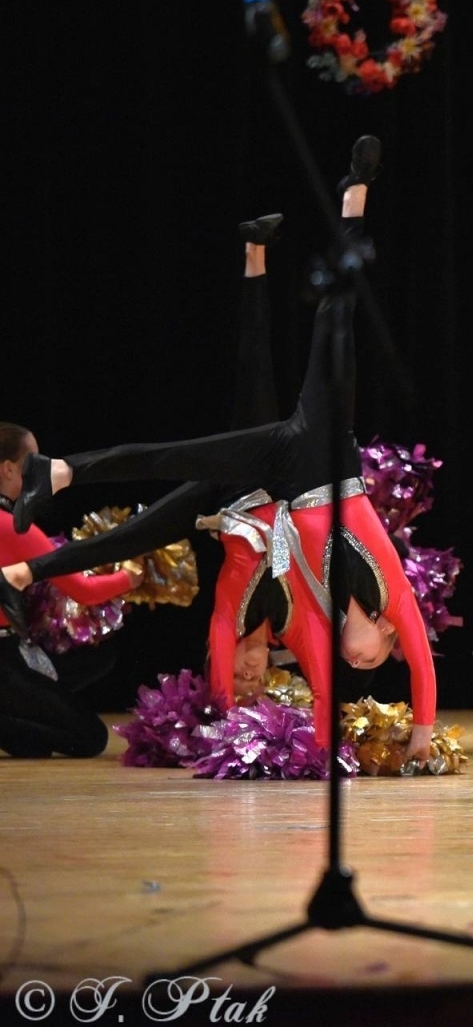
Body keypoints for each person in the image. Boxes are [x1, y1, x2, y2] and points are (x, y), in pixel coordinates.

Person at [4, 138, 438, 760]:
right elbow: (422, 668)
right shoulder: (394, 599)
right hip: (325, 456)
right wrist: (421, 735)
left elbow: (319, 685)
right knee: (334, 328)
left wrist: (309, 749)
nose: (357, 663)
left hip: (268, 484)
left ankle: (55, 491)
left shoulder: (314, 619)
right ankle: (354, 198)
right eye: (369, 660)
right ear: (389, 633)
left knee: (169, 480)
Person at [3, 213, 291, 707]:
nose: (249, 668)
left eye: (238, 672)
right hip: (266, 478)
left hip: (221, 504)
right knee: (255, 370)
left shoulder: (240, 620)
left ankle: (28, 568)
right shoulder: (290, 618)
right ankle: (256, 256)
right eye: (254, 672)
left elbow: (223, 630)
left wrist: (225, 711)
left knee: (133, 534)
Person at [0, 423, 142, 757]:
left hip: (12, 653)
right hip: (4, 662)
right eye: (33, 461)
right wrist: (130, 578)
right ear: (8, 469)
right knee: (90, 738)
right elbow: (84, 591)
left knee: (94, 659)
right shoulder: (13, 527)